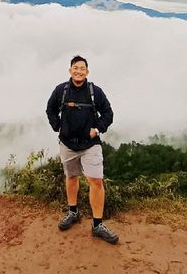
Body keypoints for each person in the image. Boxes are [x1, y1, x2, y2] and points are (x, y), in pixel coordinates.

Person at [46, 55, 118, 244]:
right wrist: (57, 126)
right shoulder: (61, 90)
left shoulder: (95, 92)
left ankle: (97, 225)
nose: (79, 71)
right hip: (67, 143)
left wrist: (97, 129)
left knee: (95, 181)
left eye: (82, 68)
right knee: (71, 177)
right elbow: (50, 109)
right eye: (75, 68)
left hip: (90, 145)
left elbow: (108, 113)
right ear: (70, 70)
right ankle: (73, 212)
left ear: (87, 71)